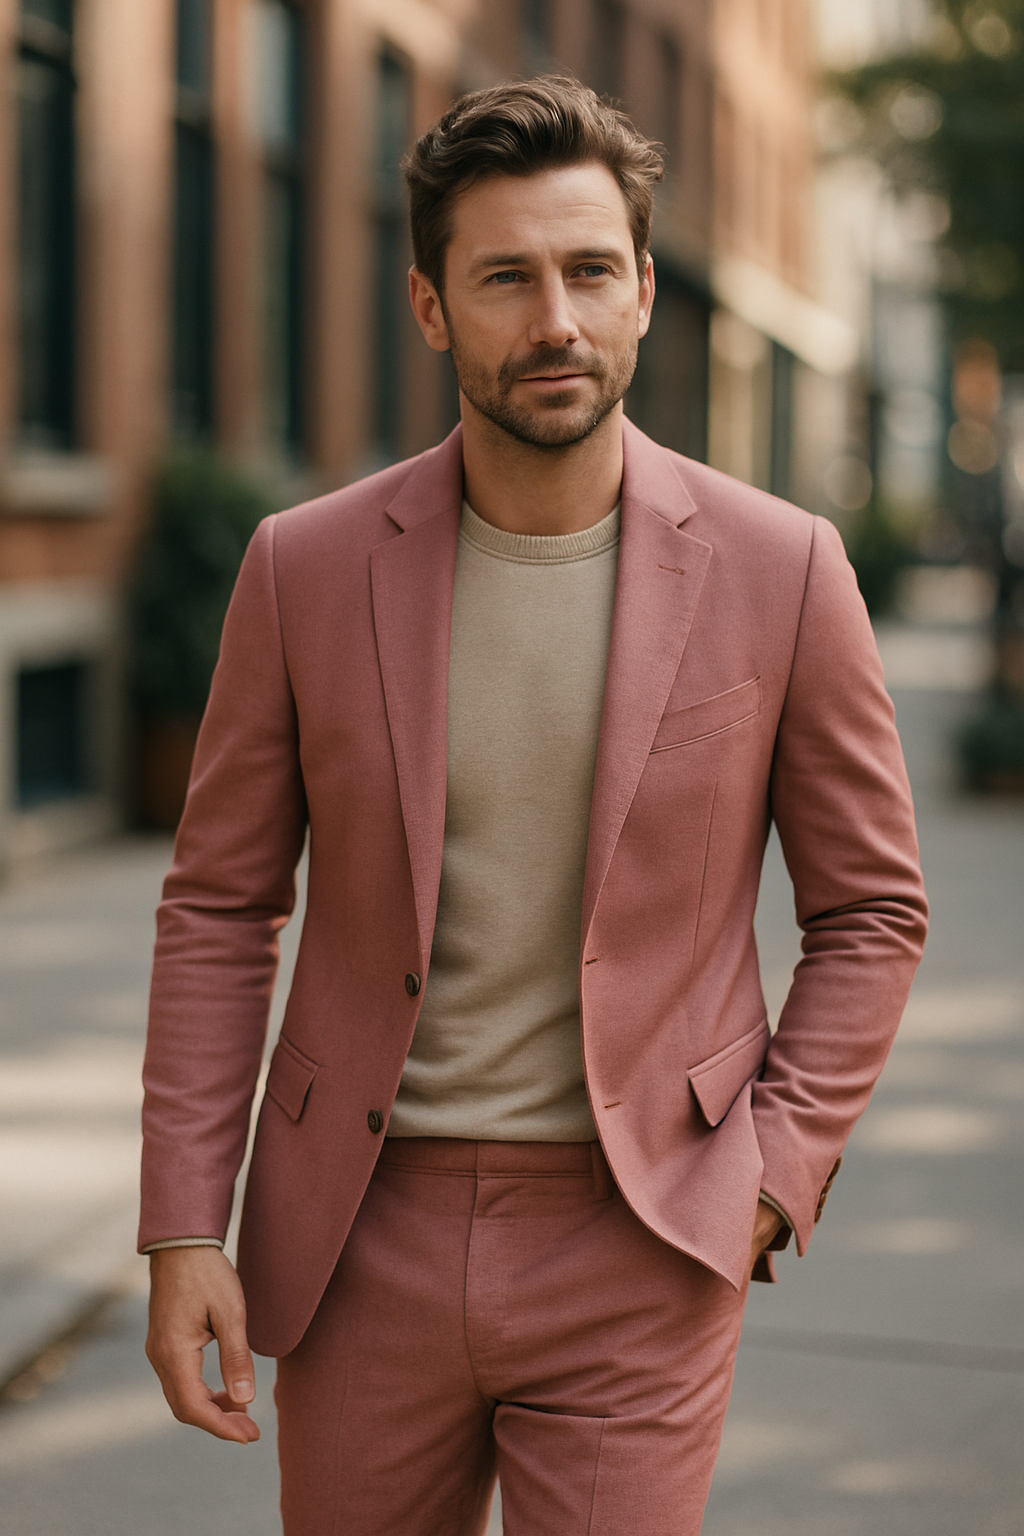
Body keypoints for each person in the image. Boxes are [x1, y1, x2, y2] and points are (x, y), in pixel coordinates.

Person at [141, 75, 928, 1536]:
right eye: (505, 277)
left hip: (643, 1235)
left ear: (643, 291)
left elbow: (873, 909)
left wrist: (770, 1174)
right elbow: (219, 908)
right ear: (432, 307)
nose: (555, 319)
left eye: (589, 271)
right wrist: (184, 1224)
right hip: (357, 1229)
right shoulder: (302, 570)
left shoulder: (785, 569)